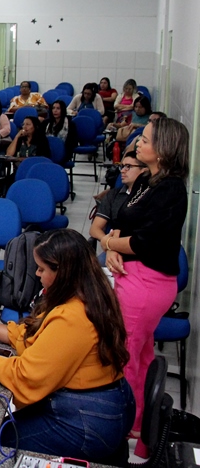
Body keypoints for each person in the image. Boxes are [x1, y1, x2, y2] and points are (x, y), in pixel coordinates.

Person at [0, 229, 134, 463]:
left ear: (63, 272)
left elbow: (26, 375)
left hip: (88, 421)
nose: (37, 274)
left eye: (42, 269)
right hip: (103, 405)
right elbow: (31, 336)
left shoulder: (73, 317)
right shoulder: (88, 294)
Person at [103, 118, 189, 455]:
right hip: (133, 275)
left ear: (165, 149)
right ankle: (140, 429)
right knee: (138, 356)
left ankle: (129, 432)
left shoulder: (171, 190)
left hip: (148, 284)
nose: (139, 142)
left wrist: (112, 243)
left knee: (124, 358)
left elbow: (142, 242)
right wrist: (111, 247)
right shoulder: (147, 181)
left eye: (147, 139)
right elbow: (120, 226)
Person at [89, 152, 147, 248]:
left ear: (144, 170)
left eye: (128, 166)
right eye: (122, 166)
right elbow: (94, 229)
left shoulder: (151, 195)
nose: (122, 171)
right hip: (115, 247)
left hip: (142, 249)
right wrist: (109, 244)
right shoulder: (113, 195)